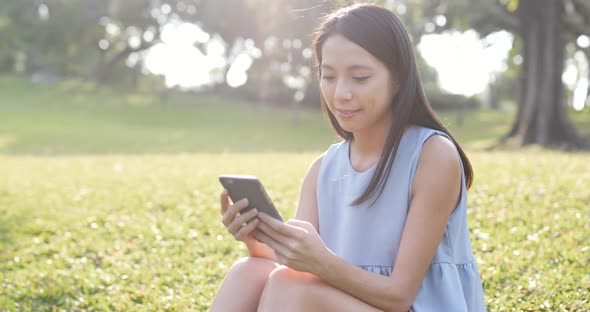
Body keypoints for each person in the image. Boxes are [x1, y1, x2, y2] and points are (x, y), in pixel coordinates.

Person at [210, 3, 486, 311]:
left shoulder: (432, 156)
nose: (341, 93)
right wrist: (253, 238)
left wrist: (321, 261)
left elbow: (399, 296)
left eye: (360, 77)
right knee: (248, 272)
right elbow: (298, 265)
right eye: (328, 76)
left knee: (289, 287)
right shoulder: (322, 170)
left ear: (397, 78)